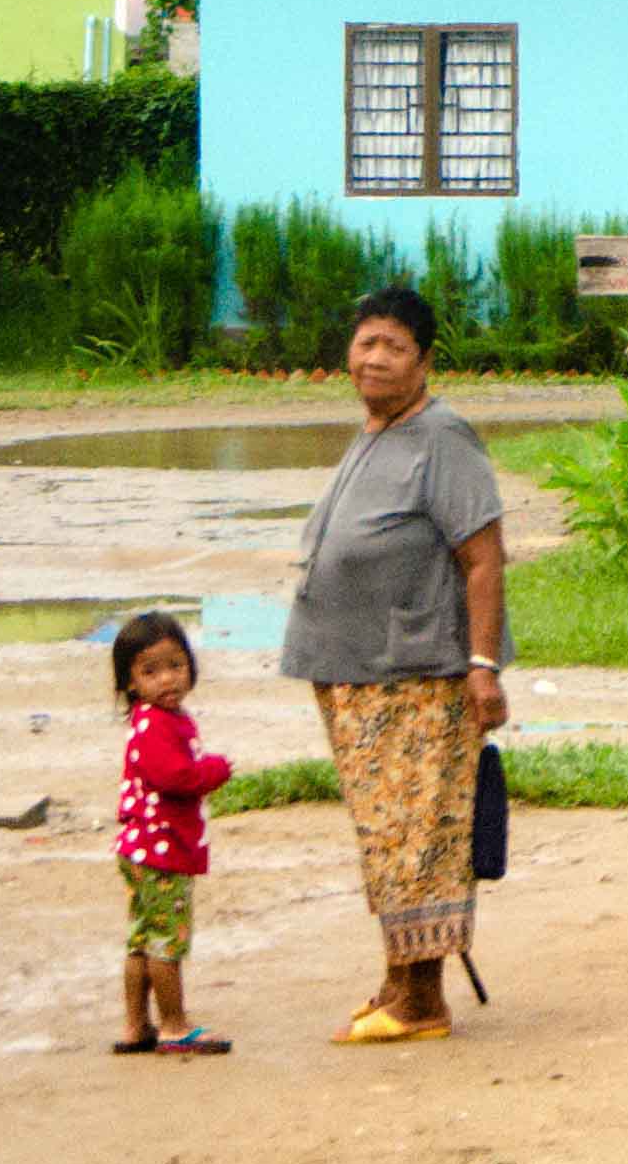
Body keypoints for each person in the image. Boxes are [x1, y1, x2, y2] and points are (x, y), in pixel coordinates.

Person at [280, 283, 507, 1044]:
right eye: (365, 343)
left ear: (425, 361)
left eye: (393, 347)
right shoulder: (377, 430)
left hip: (418, 674)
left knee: (420, 833)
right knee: (385, 834)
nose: (374, 359)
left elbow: (483, 559)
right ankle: (396, 980)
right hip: (357, 672)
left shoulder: (444, 439)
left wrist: (481, 665)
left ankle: (422, 1000)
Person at [109, 611, 232, 1055]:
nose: (167, 680)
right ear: (130, 683)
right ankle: (174, 1025)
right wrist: (213, 770)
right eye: (150, 671)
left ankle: (135, 1024)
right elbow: (174, 777)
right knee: (166, 940)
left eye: (175, 666)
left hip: (142, 849)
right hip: (161, 852)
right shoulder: (157, 724)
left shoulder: (154, 720)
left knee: (141, 938)